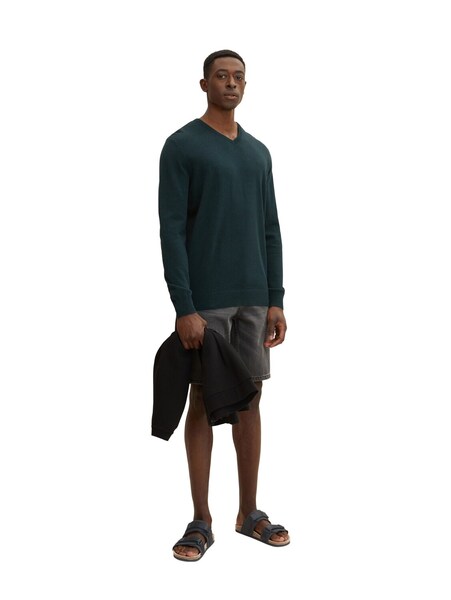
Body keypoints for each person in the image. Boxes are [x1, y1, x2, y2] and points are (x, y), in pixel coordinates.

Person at [158, 49, 289, 561]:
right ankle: (201, 520)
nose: (231, 83)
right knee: (202, 399)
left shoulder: (258, 153)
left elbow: (270, 228)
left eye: (238, 77)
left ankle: (248, 513)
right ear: (204, 84)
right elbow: (171, 231)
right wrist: (184, 306)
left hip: (254, 298)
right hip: (206, 301)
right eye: (221, 76)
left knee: (250, 399)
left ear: (245, 86)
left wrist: (275, 299)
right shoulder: (182, 146)